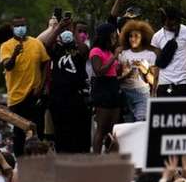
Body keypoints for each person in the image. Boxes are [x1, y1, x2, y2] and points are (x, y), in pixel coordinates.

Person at [0, 16, 50, 155]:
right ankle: (21, 161)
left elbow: (45, 63)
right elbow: (7, 66)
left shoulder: (36, 43)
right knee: (19, 133)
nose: (20, 28)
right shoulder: (6, 46)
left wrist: (42, 86)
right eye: (17, 26)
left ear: (26, 26)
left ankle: (38, 160)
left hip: (35, 94)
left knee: (38, 130)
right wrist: (14, 54)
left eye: (22, 25)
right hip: (17, 97)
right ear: (12, 28)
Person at [48, 29, 91, 153]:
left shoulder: (78, 50)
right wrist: (58, 28)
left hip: (76, 97)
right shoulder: (56, 51)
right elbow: (46, 44)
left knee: (78, 130)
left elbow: (84, 50)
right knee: (61, 131)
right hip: (58, 98)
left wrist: (74, 30)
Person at [151, 7, 186, 97]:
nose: (173, 24)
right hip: (164, 84)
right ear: (164, 21)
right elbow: (157, 65)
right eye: (170, 21)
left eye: (175, 21)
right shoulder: (157, 37)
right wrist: (153, 90)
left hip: (183, 83)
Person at [90, 23, 122, 154]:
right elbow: (99, 71)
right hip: (103, 88)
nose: (115, 38)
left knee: (113, 129)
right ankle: (96, 158)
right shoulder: (96, 51)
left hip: (113, 87)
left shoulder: (109, 51)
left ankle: (109, 155)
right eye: (113, 36)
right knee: (101, 129)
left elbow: (113, 71)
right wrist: (114, 57)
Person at [118, 20, 159, 122]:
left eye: (136, 36)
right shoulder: (123, 53)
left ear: (143, 38)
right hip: (124, 93)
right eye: (130, 36)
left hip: (141, 93)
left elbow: (155, 81)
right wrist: (126, 75)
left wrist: (144, 71)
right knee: (128, 124)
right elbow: (116, 78)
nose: (133, 39)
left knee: (140, 122)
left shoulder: (150, 55)